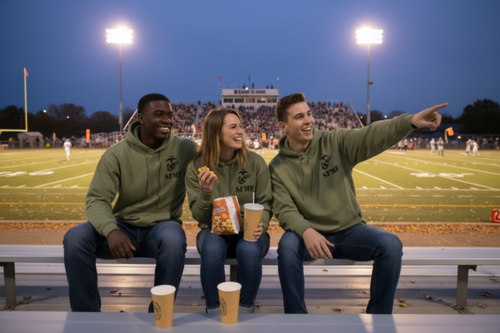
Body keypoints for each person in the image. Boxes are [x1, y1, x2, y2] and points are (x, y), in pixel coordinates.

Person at [269, 92, 446, 314]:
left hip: (348, 232)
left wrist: (409, 121)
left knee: (390, 245)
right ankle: (296, 320)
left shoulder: (334, 142)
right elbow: (284, 210)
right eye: (299, 117)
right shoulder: (277, 167)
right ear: (283, 126)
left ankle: (379, 318)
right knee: (287, 245)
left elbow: (370, 135)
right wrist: (306, 231)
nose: (308, 121)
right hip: (311, 237)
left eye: (309, 114)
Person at [63, 93, 197, 312]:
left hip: (161, 228)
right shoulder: (116, 154)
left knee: (174, 238)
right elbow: (97, 199)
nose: (167, 120)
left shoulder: (186, 149)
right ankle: (86, 315)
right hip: (122, 228)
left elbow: (216, 155)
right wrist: (110, 230)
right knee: (75, 238)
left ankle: (160, 312)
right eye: (159, 114)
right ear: (141, 119)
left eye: (170, 115)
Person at [186, 108, 273, 314]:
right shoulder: (197, 167)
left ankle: (244, 308)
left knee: (249, 249)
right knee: (213, 248)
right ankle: (216, 309)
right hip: (214, 230)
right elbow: (200, 217)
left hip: (249, 229)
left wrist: (262, 224)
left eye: (240, 126)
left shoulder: (255, 162)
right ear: (216, 133)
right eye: (233, 127)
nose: (240, 132)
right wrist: (206, 193)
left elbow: (266, 203)